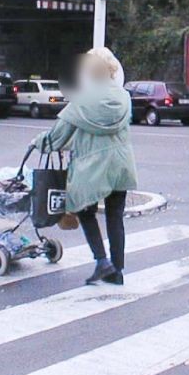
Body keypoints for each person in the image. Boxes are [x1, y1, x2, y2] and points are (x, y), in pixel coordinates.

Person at [32, 47, 138, 285]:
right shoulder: (124, 97)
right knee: (115, 216)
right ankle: (117, 271)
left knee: (82, 208)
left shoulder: (81, 101)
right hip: (121, 165)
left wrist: (37, 143)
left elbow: (56, 137)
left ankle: (102, 261)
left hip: (93, 166)